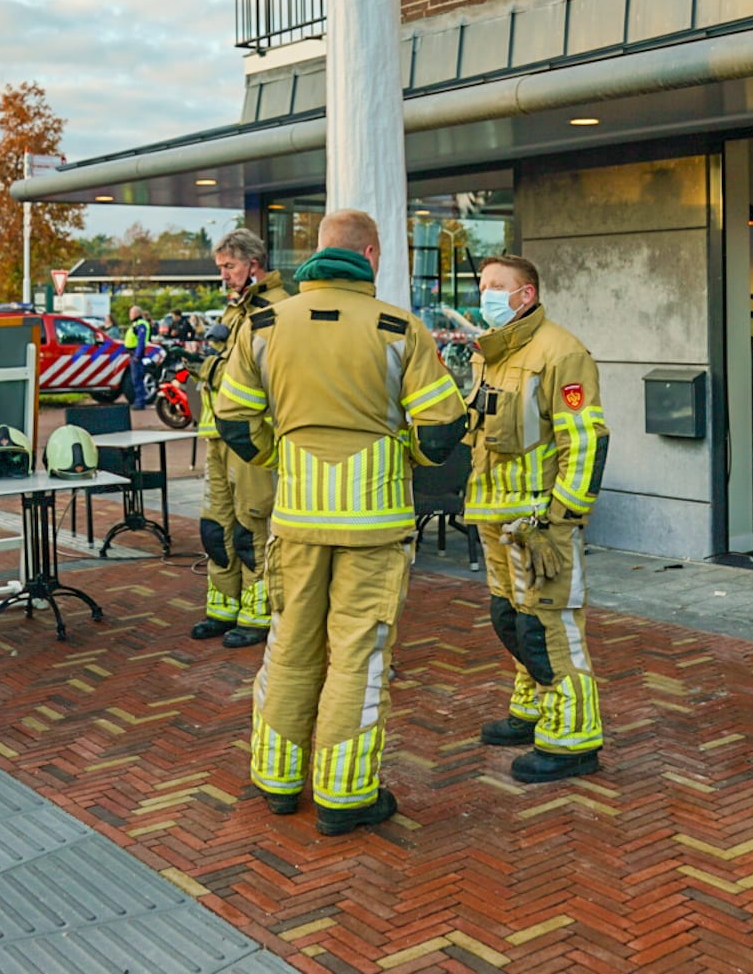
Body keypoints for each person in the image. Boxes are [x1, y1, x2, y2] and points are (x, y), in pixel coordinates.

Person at [215, 209, 466, 835]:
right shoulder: (397, 327)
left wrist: (283, 455)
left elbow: (234, 420)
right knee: (358, 654)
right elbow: (442, 428)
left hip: (294, 521)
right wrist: (401, 452)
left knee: (290, 645)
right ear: (372, 255)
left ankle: (276, 781)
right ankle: (344, 796)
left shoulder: (266, 323)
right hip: (374, 525)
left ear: (317, 252)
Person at [463, 255, 610, 783]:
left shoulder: (561, 352)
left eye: (497, 286)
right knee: (512, 621)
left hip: (537, 522)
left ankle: (573, 741)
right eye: (483, 285)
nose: (486, 294)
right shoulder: (490, 353)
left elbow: (586, 439)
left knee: (548, 627)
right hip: (494, 516)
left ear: (526, 295)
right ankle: (531, 710)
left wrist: (561, 516)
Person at [191, 229, 289, 648]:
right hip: (217, 432)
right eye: (221, 268)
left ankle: (258, 613)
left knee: (252, 526)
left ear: (253, 263)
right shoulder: (238, 309)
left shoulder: (278, 310)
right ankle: (223, 607)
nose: (224, 276)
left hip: (251, 436)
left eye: (229, 267)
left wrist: (211, 370)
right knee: (216, 526)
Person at [123, 306, 152, 409]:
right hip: (133, 353)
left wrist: (137, 355)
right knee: (135, 378)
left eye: (131, 313)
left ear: (136, 314)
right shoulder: (136, 324)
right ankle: (138, 401)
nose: (129, 315)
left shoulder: (141, 325)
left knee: (137, 378)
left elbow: (141, 341)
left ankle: (140, 402)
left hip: (136, 353)